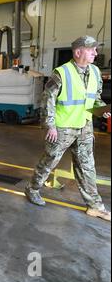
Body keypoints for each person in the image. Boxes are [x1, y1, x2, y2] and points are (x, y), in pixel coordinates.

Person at [25, 36, 111, 221]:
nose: (96, 53)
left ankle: (95, 206)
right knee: (50, 161)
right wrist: (50, 125)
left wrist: (101, 109)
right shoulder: (62, 72)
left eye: (96, 50)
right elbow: (48, 100)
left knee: (87, 166)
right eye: (91, 50)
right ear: (78, 52)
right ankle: (32, 189)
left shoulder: (95, 72)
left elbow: (94, 97)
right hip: (62, 127)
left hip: (85, 126)